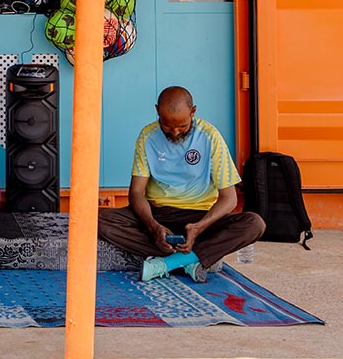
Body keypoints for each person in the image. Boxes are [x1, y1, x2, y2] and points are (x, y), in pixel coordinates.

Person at [97, 86, 265, 283]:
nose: (175, 132)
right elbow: (136, 193)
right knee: (97, 219)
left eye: (182, 126)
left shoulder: (210, 136)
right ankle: (194, 257)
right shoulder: (147, 136)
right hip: (158, 213)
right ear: (157, 111)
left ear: (193, 112)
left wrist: (199, 228)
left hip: (199, 216)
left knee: (254, 224)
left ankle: (169, 262)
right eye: (167, 126)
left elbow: (229, 199)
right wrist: (153, 226)